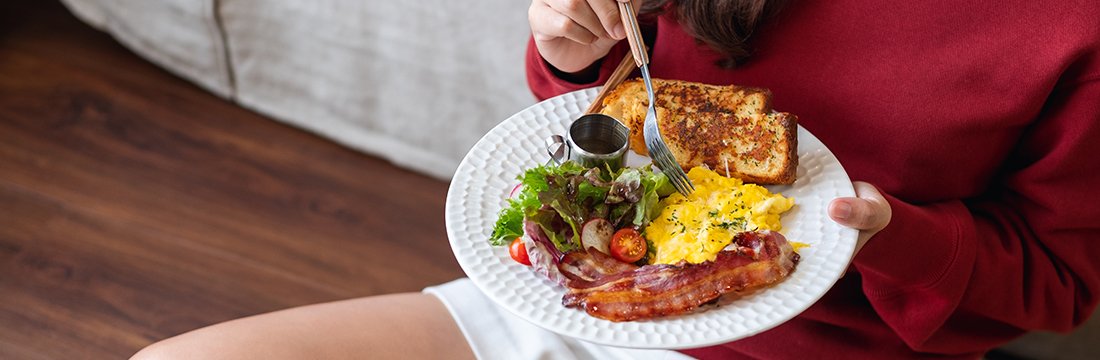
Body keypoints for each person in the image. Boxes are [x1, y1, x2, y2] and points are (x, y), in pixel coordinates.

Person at [133, 0, 1100, 359]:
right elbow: (615, 97)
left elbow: (1060, 289)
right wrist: (564, 47)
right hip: (588, 308)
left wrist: (900, 235)